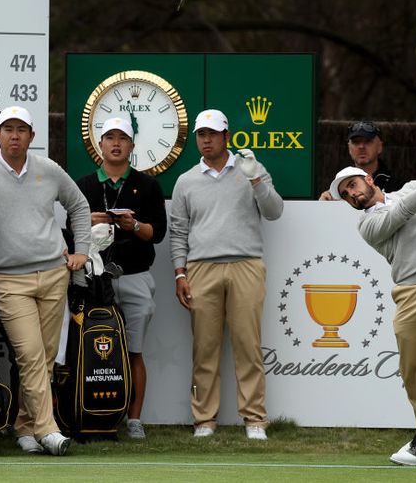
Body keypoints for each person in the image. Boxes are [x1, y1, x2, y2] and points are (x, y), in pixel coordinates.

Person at [0, 105, 91, 456]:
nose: (14, 135)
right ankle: (49, 430)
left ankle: (25, 425)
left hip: (53, 274)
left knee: (44, 358)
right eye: (8, 129)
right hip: (9, 279)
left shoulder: (48, 169)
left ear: (32, 136)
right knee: (31, 355)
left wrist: (83, 251)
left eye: (22, 130)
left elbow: (79, 207)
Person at [329, 161, 416, 466]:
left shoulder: (412, 187)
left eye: (352, 185)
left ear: (368, 179)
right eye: (345, 194)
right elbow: (399, 214)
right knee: (412, 370)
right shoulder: (367, 225)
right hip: (409, 293)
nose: (351, 195)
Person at [169, 109, 284, 440]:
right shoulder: (186, 180)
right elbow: (178, 232)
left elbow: (274, 211)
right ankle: (204, 419)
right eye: (201, 135)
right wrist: (180, 273)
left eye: (212, 134)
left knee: (248, 345)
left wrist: (255, 179)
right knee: (205, 348)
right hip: (201, 267)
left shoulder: (251, 169)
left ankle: (255, 419)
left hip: (246, 263)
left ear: (226, 137)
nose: (206, 140)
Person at [73, 117, 166, 440]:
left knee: (133, 350)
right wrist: (90, 220)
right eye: (109, 137)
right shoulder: (83, 184)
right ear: (99, 144)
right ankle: (88, 410)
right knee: (89, 347)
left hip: (135, 276)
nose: (116, 143)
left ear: (132, 145)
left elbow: (157, 234)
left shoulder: (148, 185)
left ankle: (134, 419)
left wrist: (134, 226)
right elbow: (70, 230)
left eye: (122, 138)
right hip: (92, 278)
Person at [319, 121, 402, 200]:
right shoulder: (338, 186)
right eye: (356, 142)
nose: (361, 146)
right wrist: (324, 205)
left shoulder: (397, 186)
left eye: (368, 141)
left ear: (379, 146)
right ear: (349, 148)